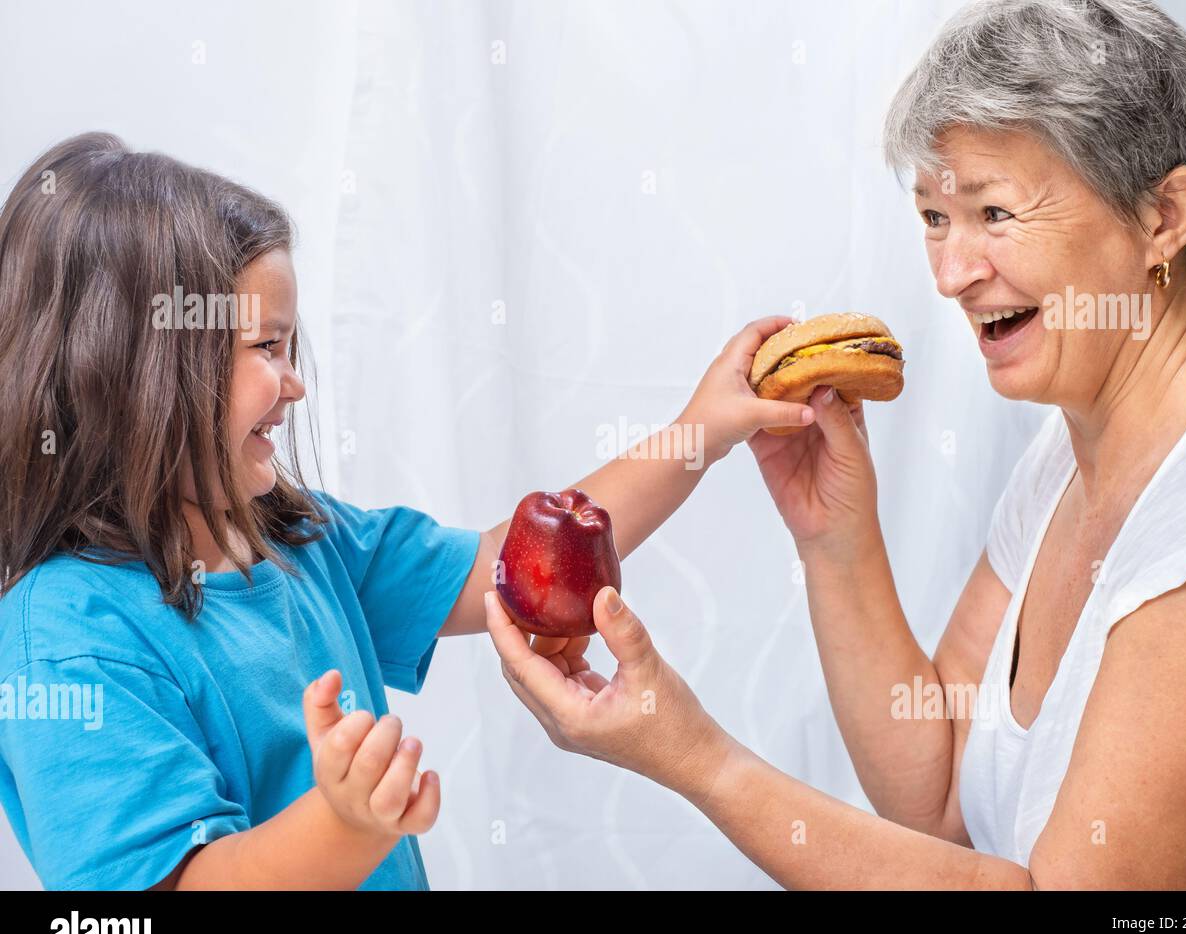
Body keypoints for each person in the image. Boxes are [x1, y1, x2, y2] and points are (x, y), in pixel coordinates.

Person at [485, 0, 1186, 889]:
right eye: (935, 218)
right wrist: (836, 536)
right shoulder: (1075, 448)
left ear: (1164, 216)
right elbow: (938, 790)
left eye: (993, 211)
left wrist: (697, 759)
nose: (952, 274)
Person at [0, 133, 812, 889]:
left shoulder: (301, 539)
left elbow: (514, 561)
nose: (295, 384)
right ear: (137, 368)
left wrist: (703, 430)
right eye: (267, 347)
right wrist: (347, 825)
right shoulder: (66, 640)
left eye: (292, 348)